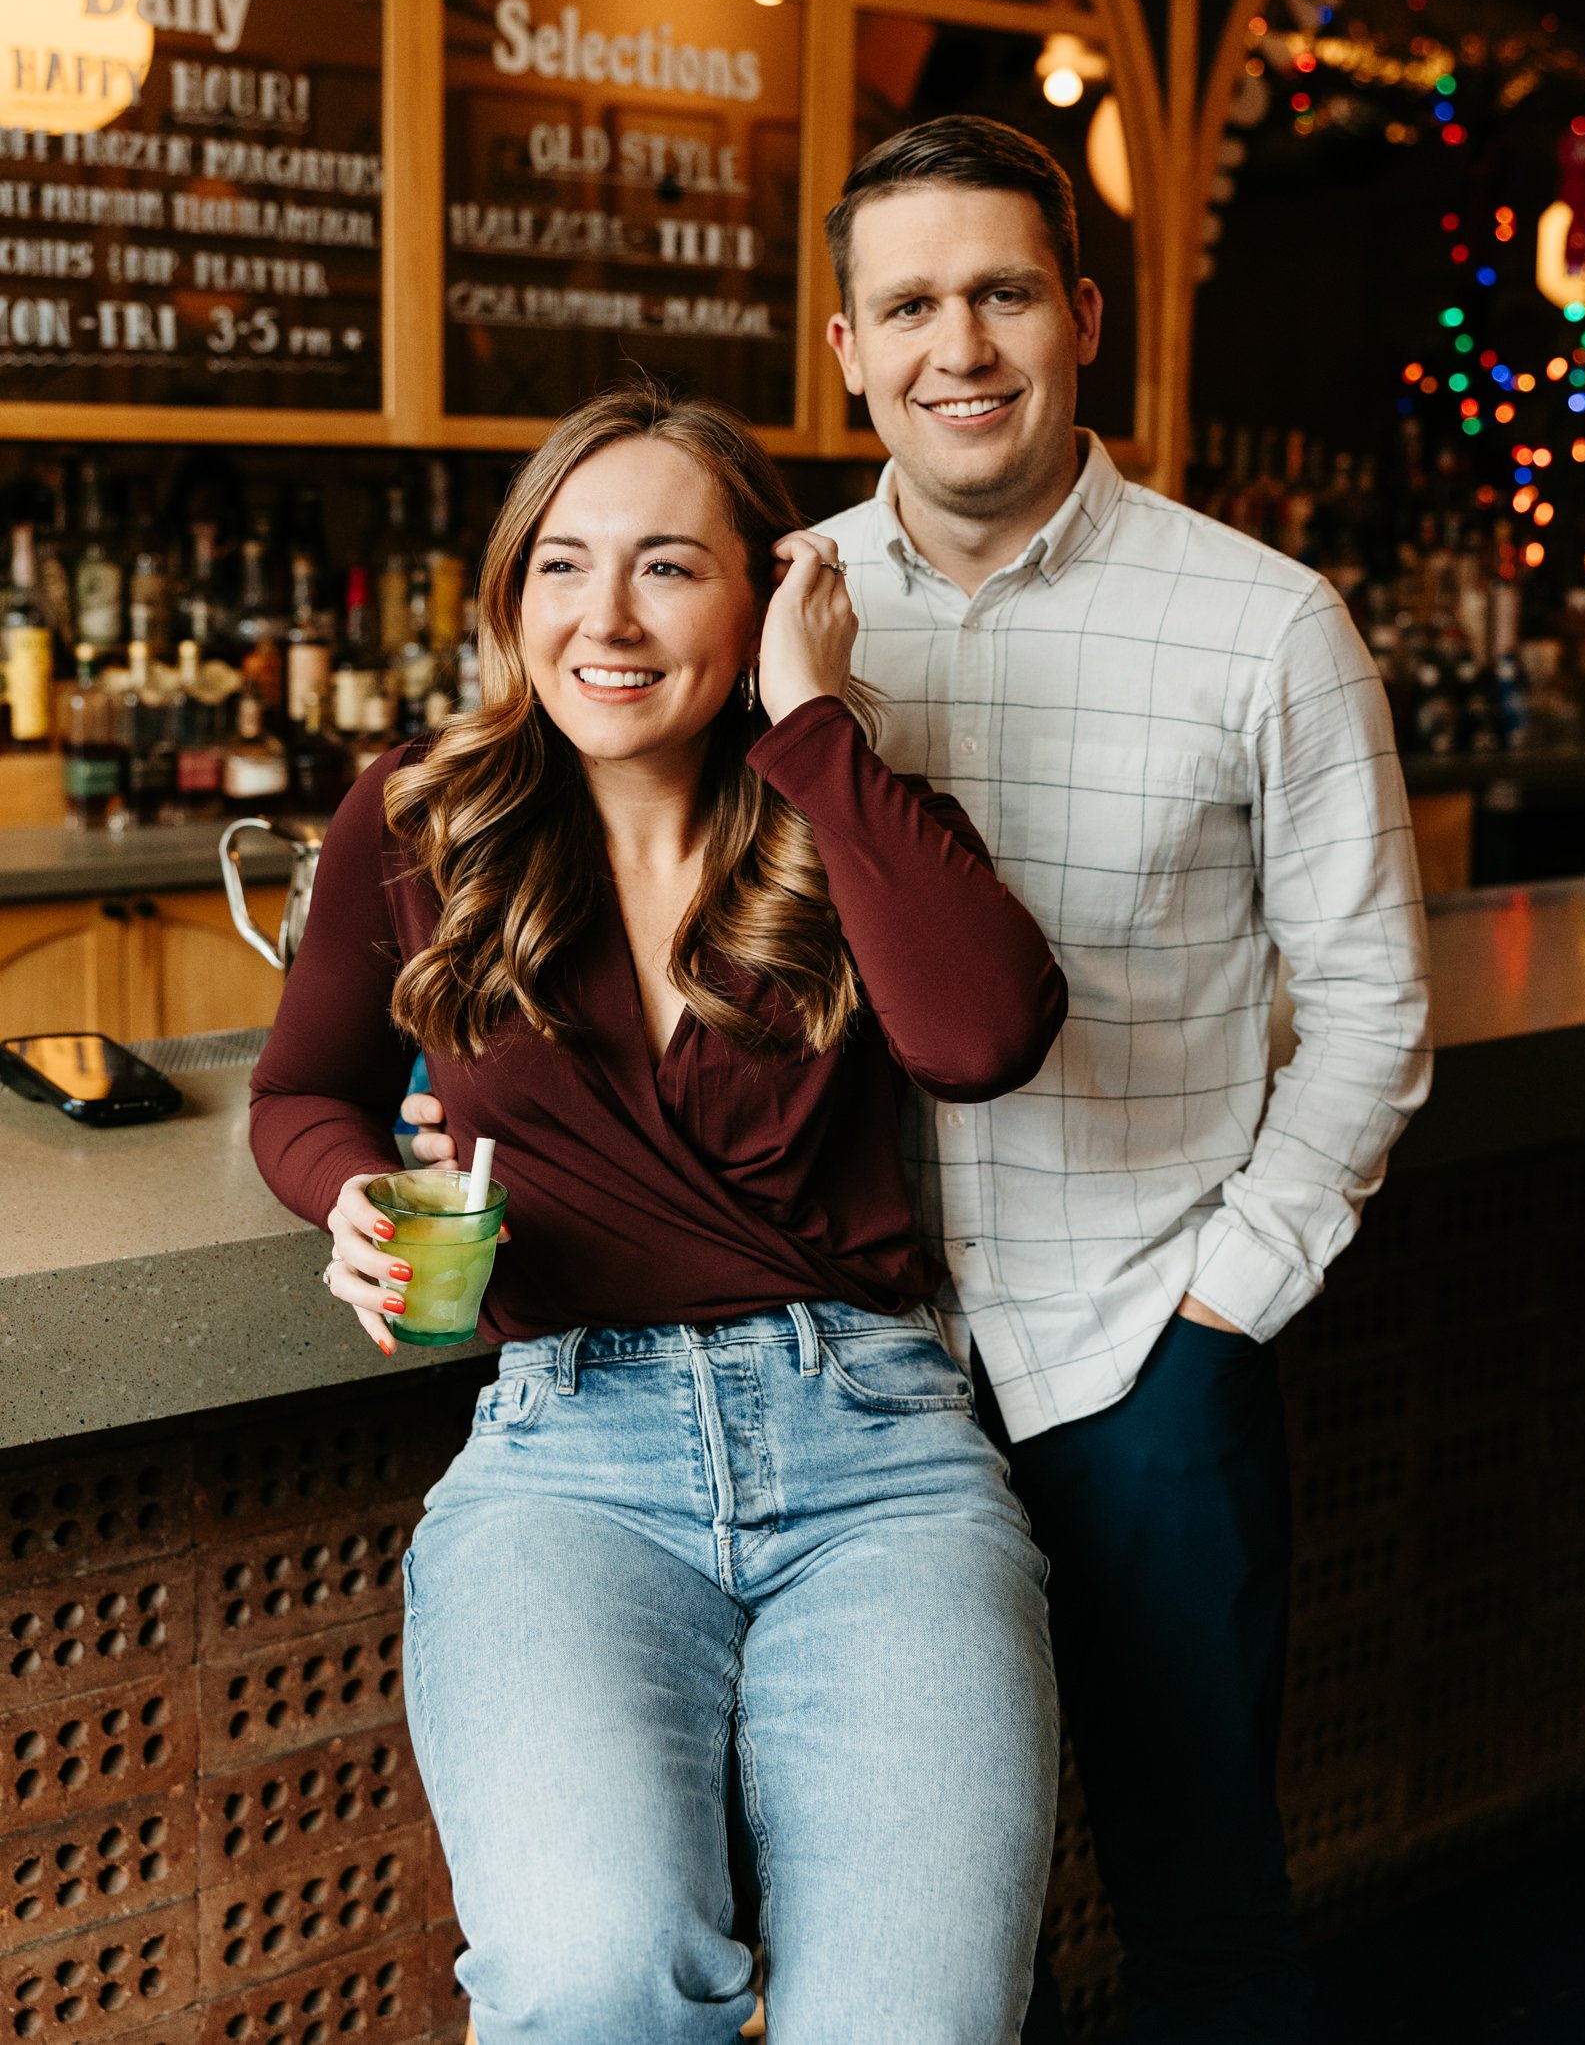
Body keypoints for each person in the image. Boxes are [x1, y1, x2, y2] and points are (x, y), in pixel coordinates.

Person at [400, 122, 1434, 2039]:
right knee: (938, 1957)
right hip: (841, 1364)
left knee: (1199, 1890)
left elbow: (1372, 1010)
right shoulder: (738, 607)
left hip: (1131, 1348)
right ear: (846, 350)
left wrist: (1228, 1304)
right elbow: (597, 921)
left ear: (1082, 318)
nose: (959, 342)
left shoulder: (1265, 624)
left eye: (1005, 292)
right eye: (909, 304)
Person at [248, 385, 1068, 2045]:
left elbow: (985, 1040)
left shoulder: (850, 823)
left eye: (669, 568)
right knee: (591, 1979)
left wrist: (812, 722)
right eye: (562, 564)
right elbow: (300, 1092)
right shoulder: (422, 819)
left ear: (761, 597)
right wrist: (351, 1200)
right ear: (513, 594)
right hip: (570, 1455)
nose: (603, 619)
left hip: (880, 1454)